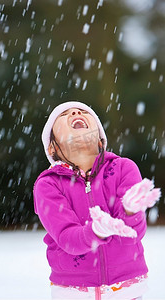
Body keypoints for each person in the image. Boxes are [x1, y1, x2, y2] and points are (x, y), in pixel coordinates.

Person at [33, 101, 161, 300]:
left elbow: (131, 235)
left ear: (101, 140)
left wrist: (130, 211)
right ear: (52, 148)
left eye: (83, 111)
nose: (75, 112)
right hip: (73, 292)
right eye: (64, 114)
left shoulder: (124, 168)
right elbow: (67, 238)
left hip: (126, 290)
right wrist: (96, 231)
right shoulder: (48, 184)